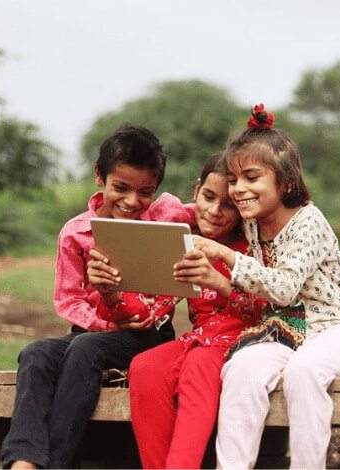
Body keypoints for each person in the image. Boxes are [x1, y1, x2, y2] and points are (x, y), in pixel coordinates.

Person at [174, 104, 340, 469]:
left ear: (286, 183)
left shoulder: (308, 220)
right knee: (240, 369)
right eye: (234, 180)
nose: (238, 190)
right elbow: (184, 209)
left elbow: (282, 288)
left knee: (304, 372)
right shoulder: (253, 222)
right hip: (284, 333)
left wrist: (223, 254)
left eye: (251, 177)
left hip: (335, 331)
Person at [1, 124, 191, 469]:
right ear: (99, 177)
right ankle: (23, 460)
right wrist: (104, 322)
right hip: (91, 332)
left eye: (145, 192)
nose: (133, 202)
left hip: (147, 336)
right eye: (121, 188)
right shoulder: (76, 233)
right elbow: (68, 300)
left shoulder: (166, 217)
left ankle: (59, 463)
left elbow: (210, 209)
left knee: (84, 348)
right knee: (36, 353)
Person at [126, 153, 266, 469]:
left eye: (229, 205)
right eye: (209, 197)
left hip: (240, 340)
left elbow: (264, 310)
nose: (215, 211)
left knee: (198, 366)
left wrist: (218, 280)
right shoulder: (182, 240)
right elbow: (152, 308)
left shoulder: (250, 247)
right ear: (196, 190)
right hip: (197, 340)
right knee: (144, 367)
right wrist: (110, 288)